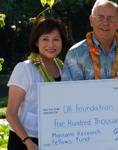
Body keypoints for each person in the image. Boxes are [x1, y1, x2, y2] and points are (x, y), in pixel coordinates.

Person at [6, 16, 69, 150]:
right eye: (45, 39)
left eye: (56, 39)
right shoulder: (24, 68)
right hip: (25, 141)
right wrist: (28, 142)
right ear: (36, 41)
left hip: (54, 138)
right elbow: (11, 113)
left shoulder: (64, 69)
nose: (51, 45)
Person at [61, 0, 118, 81]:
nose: (105, 23)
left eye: (110, 18)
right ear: (91, 20)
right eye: (100, 17)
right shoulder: (76, 54)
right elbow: (70, 92)